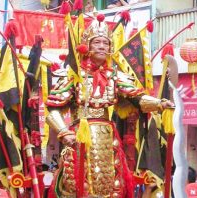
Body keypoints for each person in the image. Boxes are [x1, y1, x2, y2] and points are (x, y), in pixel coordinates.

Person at [45, 15, 173, 197]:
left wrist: (159, 103)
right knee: (76, 184)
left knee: (110, 183)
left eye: (105, 43)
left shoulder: (116, 76)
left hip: (106, 136)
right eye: (97, 42)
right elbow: (53, 107)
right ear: (87, 46)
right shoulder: (74, 74)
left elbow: (137, 97)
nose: (102, 47)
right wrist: (64, 132)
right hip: (80, 135)